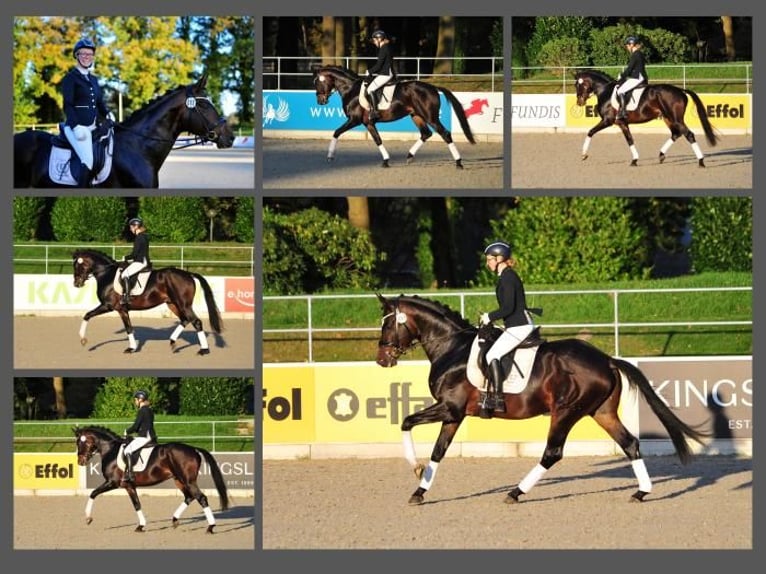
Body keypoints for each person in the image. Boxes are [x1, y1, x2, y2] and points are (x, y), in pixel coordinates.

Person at [479, 241, 535, 416]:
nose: (487, 263)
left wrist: (489, 316)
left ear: (499, 259)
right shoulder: (505, 276)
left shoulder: (508, 278)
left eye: (490, 259)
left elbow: (508, 308)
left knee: (492, 355)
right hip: (514, 325)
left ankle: (498, 398)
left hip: (520, 326)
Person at [60, 38, 112, 187]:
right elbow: (68, 104)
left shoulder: (94, 80)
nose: (86, 56)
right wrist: (75, 126)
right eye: (83, 53)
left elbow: (99, 102)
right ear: (76, 55)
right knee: (88, 161)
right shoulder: (70, 78)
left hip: (93, 125)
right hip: (78, 127)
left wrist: (108, 113)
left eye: (89, 54)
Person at [122, 390, 157, 484]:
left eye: (136, 400)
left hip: (145, 436)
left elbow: (136, 426)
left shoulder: (142, 410)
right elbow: (145, 424)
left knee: (127, 450)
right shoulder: (149, 410)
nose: (135, 402)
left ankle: (130, 474)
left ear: (140, 399)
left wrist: (127, 431)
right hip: (150, 435)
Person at [365, 29, 395, 122]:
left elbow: (379, 65)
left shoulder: (383, 48)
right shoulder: (386, 47)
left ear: (379, 39)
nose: (374, 42)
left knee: (370, 89)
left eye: (374, 40)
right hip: (385, 72)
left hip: (386, 74)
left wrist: (369, 71)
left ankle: (375, 112)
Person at [615, 36, 648, 120]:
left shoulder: (635, 54)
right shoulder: (638, 53)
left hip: (638, 78)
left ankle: (623, 112)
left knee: (620, 91)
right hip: (639, 76)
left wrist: (621, 76)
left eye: (627, 45)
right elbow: (633, 69)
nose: (627, 47)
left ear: (631, 45)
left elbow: (630, 68)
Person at [121, 217, 151, 308]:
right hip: (143, 260)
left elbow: (134, 253)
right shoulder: (144, 236)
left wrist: (125, 257)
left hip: (140, 261)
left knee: (124, 274)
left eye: (131, 227)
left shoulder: (139, 238)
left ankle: (127, 297)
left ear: (136, 226)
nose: (130, 229)